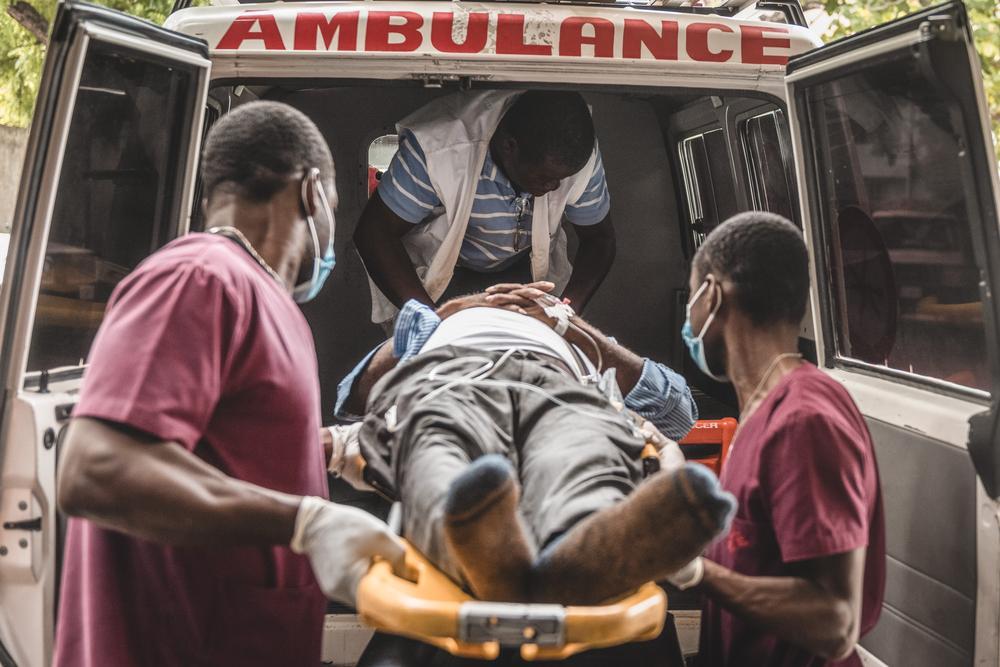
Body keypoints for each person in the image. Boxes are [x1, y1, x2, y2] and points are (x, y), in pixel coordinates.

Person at [53, 101, 406, 667]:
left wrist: (330, 451)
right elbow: (96, 467)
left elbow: (225, 449)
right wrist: (304, 522)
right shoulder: (201, 277)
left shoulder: (270, 302)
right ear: (313, 192)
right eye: (336, 206)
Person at [332, 290, 734, 605]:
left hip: (563, 383)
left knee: (584, 448)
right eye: (502, 293)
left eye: (531, 292)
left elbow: (680, 412)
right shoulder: (438, 321)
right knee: (437, 440)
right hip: (452, 377)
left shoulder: (581, 341)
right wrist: (448, 312)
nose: (515, 297)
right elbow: (351, 400)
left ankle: (582, 546)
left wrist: (568, 326)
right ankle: (473, 537)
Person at [672, 212, 885, 666]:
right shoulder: (761, 410)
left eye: (690, 298)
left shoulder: (804, 421)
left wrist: (690, 572)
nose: (688, 321)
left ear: (710, 294)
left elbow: (834, 622)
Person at [353, 90, 615, 326]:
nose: (555, 187)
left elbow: (600, 239)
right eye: (544, 178)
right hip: (438, 271)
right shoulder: (440, 148)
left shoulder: (573, 153)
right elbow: (374, 233)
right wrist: (428, 319)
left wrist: (566, 311)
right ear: (509, 147)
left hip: (525, 267)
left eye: (562, 179)